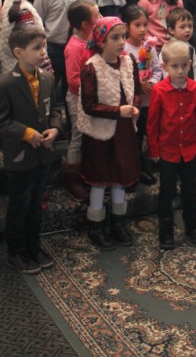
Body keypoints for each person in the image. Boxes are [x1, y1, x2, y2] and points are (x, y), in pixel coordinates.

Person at [0, 25, 62, 274]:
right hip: (21, 157)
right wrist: (26, 133)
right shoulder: (4, 84)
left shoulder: (47, 78)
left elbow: (55, 109)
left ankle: (34, 246)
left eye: (44, 46)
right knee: (19, 204)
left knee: (36, 203)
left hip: (43, 154)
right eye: (37, 48)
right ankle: (16, 251)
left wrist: (55, 128)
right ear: (18, 52)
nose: (43, 52)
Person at [77, 17, 141, 250]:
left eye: (123, 36)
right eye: (115, 38)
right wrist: (117, 111)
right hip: (100, 133)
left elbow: (134, 89)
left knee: (120, 176)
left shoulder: (129, 62)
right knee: (101, 177)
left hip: (123, 129)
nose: (122, 42)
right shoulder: (91, 68)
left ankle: (118, 221)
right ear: (101, 41)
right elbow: (89, 105)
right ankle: (96, 224)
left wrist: (133, 106)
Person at [147, 39, 196, 250]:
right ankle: (165, 229)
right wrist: (154, 149)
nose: (180, 71)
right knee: (167, 191)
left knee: (190, 189)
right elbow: (153, 123)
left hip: (190, 151)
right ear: (164, 67)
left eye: (184, 65)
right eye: (175, 66)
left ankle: (192, 225)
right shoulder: (159, 91)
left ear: (190, 64)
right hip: (168, 152)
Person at [33, 0, 84, 105]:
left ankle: (71, 119)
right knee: (51, 88)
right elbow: (37, 25)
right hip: (54, 49)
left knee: (73, 90)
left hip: (75, 47)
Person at [63, 0, 100, 199]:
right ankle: (71, 179)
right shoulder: (74, 47)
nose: (100, 18)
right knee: (77, 137)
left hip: (91, 96)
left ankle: (87, 173)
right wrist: (94, 89)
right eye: (97, 15)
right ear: (85, 24)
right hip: (78, 98)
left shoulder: (90, 39)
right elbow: (73, 81)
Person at [122, 4, 163, 185]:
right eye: (137, 25)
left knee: (148, 133)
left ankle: (146, 166)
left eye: (145, 24)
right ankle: (133, 171)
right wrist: (138, 85)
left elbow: (157, 69)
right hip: (131, 102)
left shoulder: (150, 47)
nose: (142, 29)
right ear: (126, 26)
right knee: (133, 137)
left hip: (147, 101)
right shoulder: (123, 48)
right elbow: (122, 75)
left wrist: (152, 82)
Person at [166, 8, 196, 82]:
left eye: (190, 26)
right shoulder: (167, 48)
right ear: (171, 30)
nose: (188, 30)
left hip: (190, 87)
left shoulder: (191, 48)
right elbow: (165, 71)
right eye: (182, 27)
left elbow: (195, 70)